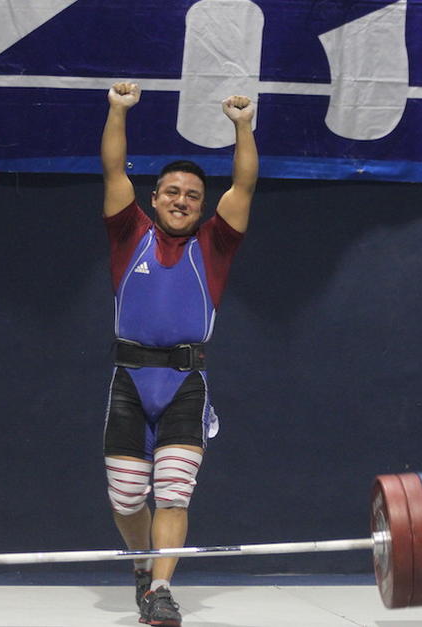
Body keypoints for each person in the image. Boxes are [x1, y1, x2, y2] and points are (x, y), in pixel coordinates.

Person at [100, 81, 258, 626]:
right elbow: (114, 170)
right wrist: (119, 111)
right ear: (155, 197)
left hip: (186, 386)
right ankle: (144, 566)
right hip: (129, 382)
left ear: (202, 205)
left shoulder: (215, 244)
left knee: (172, 493)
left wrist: (242, 125)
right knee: (126, 498)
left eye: (192, 195)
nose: (182, 201)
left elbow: (244, 182)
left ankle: (161, 589)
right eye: (172, 192)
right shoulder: (129, 233)